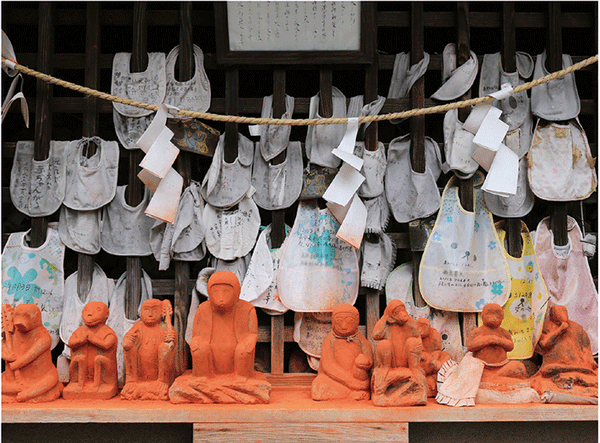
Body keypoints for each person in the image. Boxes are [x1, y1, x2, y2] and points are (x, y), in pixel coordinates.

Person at [169, 271, 270, 404]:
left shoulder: (247, 309)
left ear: (237, 291)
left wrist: (249, 341)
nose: (221, 297)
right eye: (216, 292)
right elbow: (197, 334)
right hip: (210, 360)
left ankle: (239, 378)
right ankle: (203, 378)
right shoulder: (203, 309)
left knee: (242, 350)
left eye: (226, 292)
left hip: (237, 359)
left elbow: (252, 333)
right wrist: (197, 342)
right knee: (200, 348)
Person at [371, 300, 427, 406]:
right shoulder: (387, 323)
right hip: (391, 362)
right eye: (396, 312)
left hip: (407, 360)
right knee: (383, 344)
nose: (401, 313)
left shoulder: (409, 322)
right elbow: (376, 335)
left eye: (402, 310)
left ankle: (414, 369)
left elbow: (416, 334)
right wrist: (384, 318)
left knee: (413, 342)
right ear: (391, 315)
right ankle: (384, 369)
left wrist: (407, 319)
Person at [312, 304, 373, 401]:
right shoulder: (329, 339)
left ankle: (354, 392)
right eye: (339, 321)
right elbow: (328, 366)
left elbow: (369, 360)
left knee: (363, 370)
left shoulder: (360, 339)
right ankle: (353, 393)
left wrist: (364, 363)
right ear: (333, 322)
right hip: (336, 379)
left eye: (350, 321)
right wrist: (349, 381)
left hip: (357, 378)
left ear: (357, 321)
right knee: (318, 385)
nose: (344, 326)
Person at [121, 299, 177, 400]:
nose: (150, 314)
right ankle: (131, 381)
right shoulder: (139, 326)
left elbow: (171, 343)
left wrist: (172, 338)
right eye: (146, 311)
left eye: (155, 311)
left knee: (165, 348)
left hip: (158, 371)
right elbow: (127, 338)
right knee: (128, 346)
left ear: (162, 313)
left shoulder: (165, 327)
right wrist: (128, 341)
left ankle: (162, 381)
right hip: (141, 370)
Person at [63, 301, 118, 400]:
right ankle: (80, 384)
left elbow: (107, 344)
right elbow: (71, 343)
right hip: (80, 370)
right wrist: (81, 340)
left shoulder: (107, 331)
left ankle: (97, 385)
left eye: (97, 310)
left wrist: (93, 339)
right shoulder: (80, 331)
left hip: (104, 373)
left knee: (99, 359)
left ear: (106, 315)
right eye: (86, 310)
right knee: (80, 358)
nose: (90, 313)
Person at [466, 303, 526, 380]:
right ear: (482, 315)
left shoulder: (504, 332)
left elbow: (510, 346)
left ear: (502, 318)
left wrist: (498, 340)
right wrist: (488, 340)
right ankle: (492, 377)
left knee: (519, 367)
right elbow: (470, 346)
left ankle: (495, 376)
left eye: (498, 315)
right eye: (490, 314)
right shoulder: (477, 332)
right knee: (467, 367)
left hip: (502, 367)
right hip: (481, 367)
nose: (494, 318)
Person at [417, 318, 453, 397]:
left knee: (446, 356)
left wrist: (434, 359)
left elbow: (438, 350)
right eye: (418, 327)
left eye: (422, 327)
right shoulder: (415, 336)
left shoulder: (434, 334)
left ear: (427, 326)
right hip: (423, 360)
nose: (420, 330)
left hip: (435, 356)